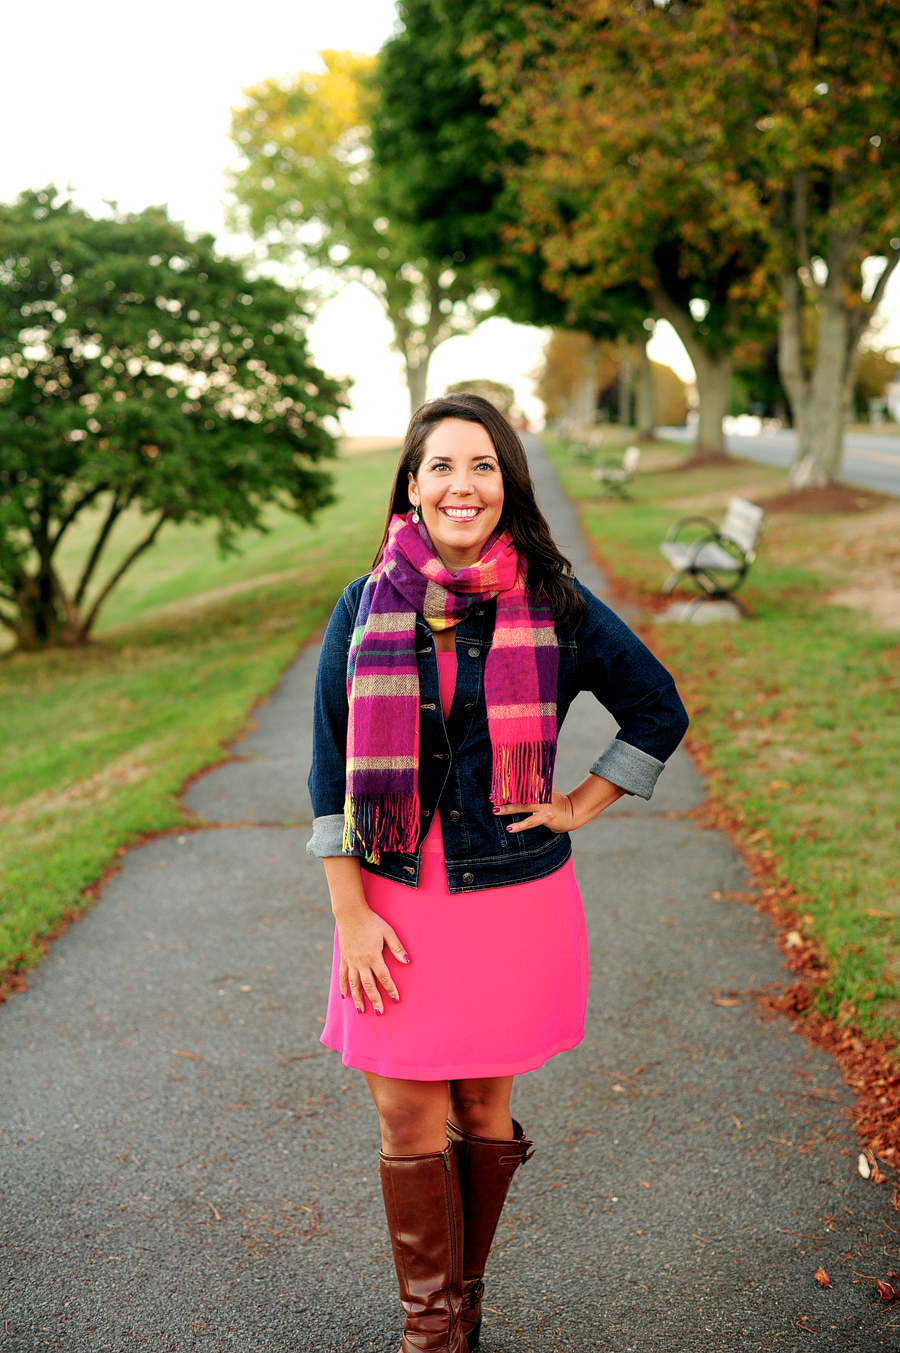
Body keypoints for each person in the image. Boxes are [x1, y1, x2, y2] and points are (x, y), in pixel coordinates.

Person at [307, 394, 688, 1353]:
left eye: (481, 466)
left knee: (482, 1102)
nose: (461, 485)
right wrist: (351, 914)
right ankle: (429, 1328)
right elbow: (326, 772)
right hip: (392, 891)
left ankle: (463, 1304)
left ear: (506, 483)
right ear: (411, 484)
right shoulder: (363, 606)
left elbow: (656, 707)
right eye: (441, 465)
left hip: (513, 893)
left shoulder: (552, 600)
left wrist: (579, 802)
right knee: (405, 1106)